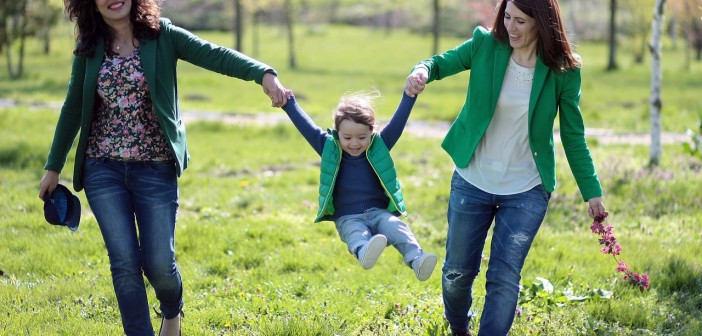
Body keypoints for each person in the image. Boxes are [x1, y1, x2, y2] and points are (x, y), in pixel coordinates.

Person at [37, 0, 290, 335]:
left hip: (155, 168)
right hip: (102, 167)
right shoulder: (89, 46)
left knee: (159, 265)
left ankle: (172, 311)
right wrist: (54, 166)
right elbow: (73, 106)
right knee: (125, 264)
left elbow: (213, 53)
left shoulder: (162, 34)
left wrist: (263, 73)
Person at [404, 0, 606, 335]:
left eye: (521, 21)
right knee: (457, 274)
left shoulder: (563, 70)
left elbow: (573, 135)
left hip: (526, 189)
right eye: (507, 17)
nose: (511, 27)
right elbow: (439, 63)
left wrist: (592, 192)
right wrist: (421, 71)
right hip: (473, 180)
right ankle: (459, 328)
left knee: (504, 276)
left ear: (541, 22)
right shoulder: (485, 45)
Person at [279, 88, 438, 281]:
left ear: (372, 132)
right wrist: (289, 103)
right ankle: (364, 252)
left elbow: (398, 122)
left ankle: (417, 261)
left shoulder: (380, 145)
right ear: (337, 133)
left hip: (379, 213)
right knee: (356, 233)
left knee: (397, 227)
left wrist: (409, 96)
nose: (354, 143)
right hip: (347, 217)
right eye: (347, 138)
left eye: (362, 137)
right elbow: (306, 126)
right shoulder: (328, 148)